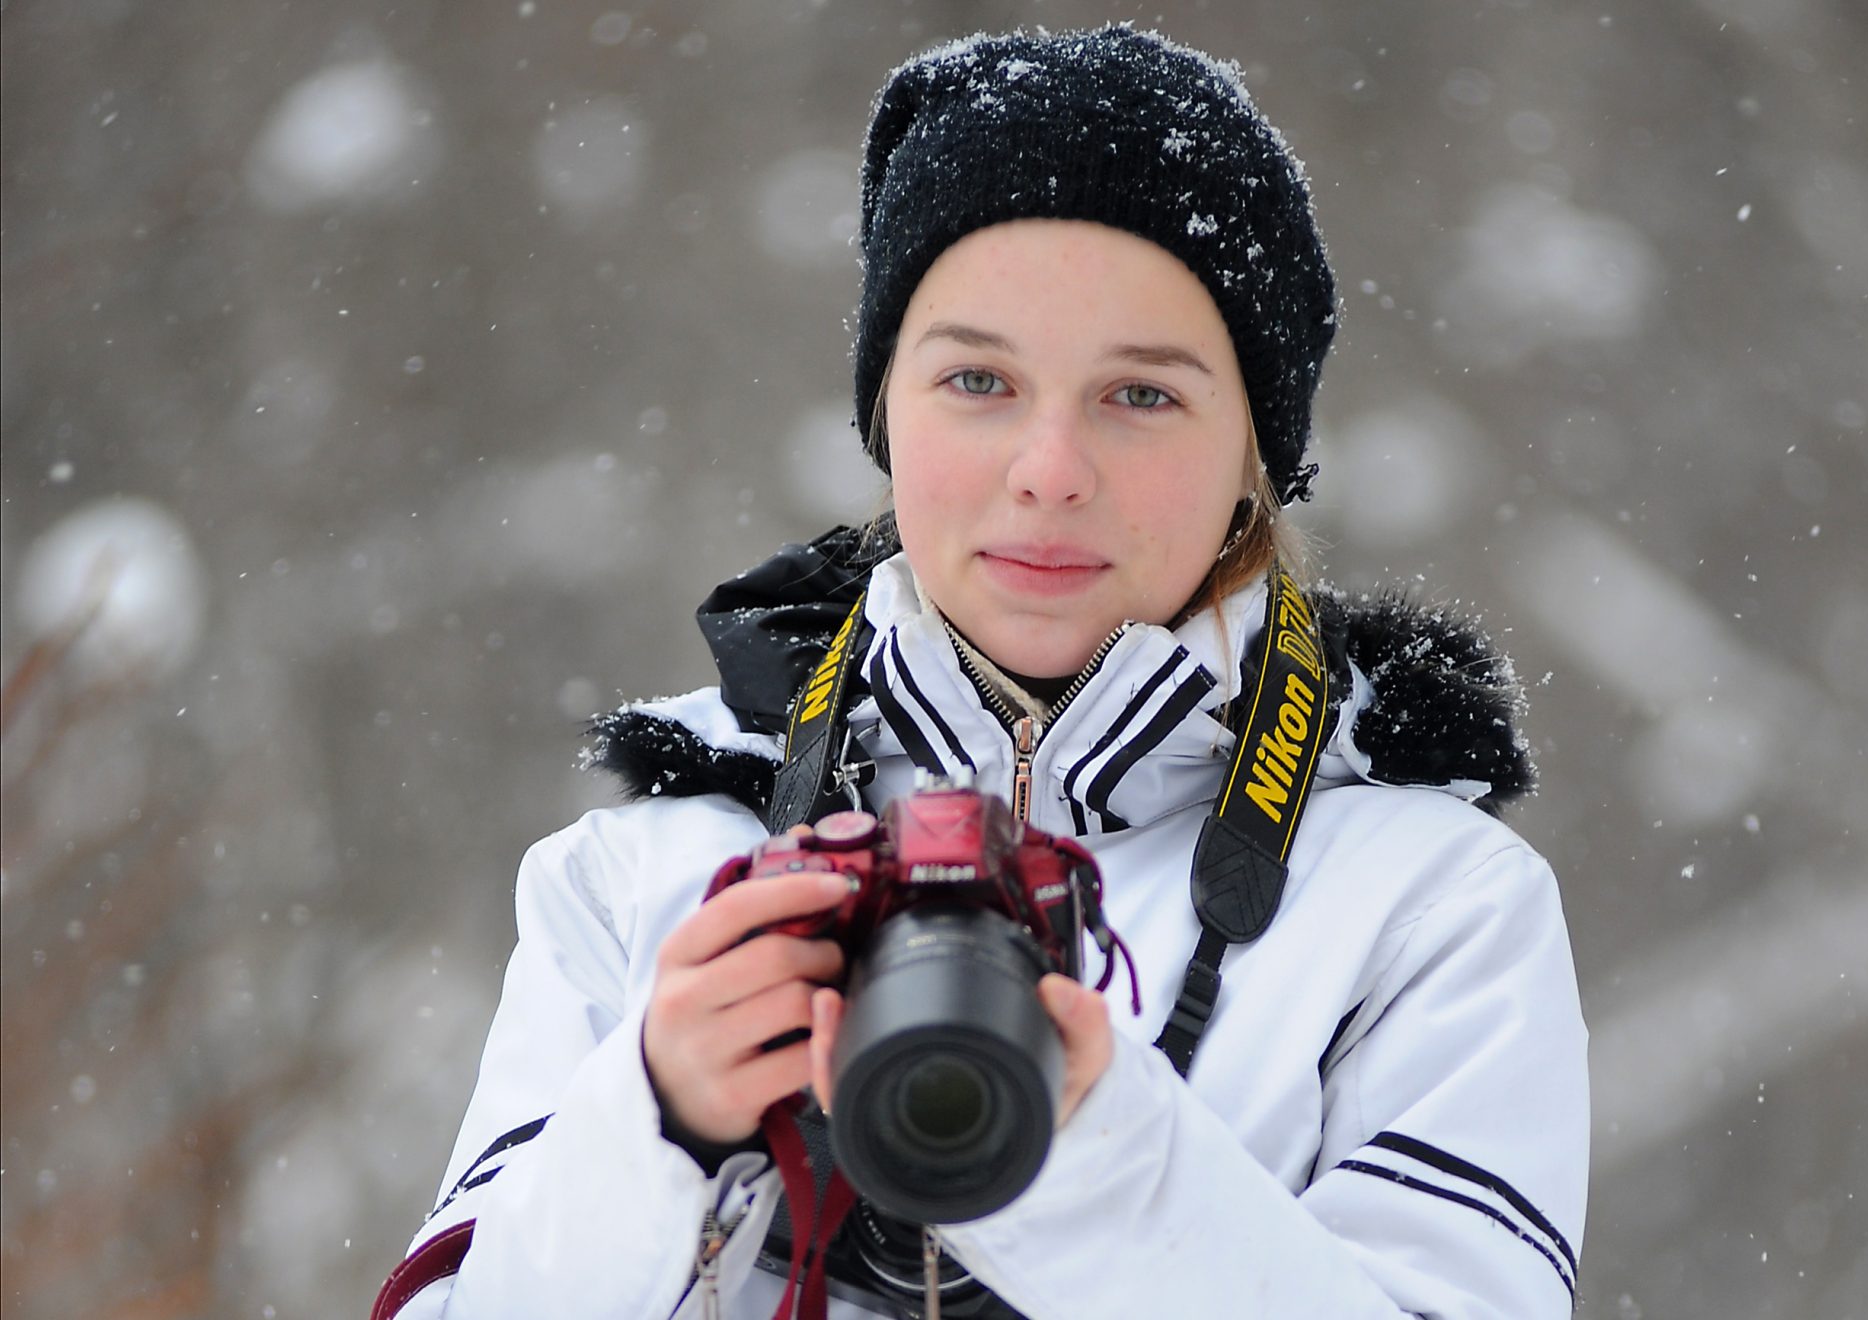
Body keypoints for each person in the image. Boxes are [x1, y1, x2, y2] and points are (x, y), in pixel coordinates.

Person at [373, 25, 1588, 1320]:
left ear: (1259, 453)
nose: (1049, 466)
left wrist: (1104, 1154)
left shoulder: (1425, 911)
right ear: (887, 411)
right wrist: (657, 1125)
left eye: (1142, 396)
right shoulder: (651, 882)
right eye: (978, 379)